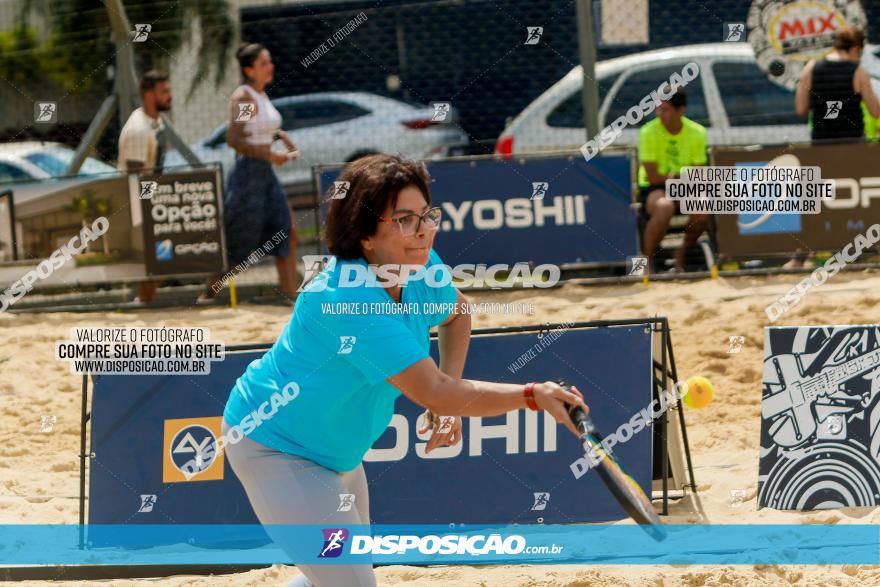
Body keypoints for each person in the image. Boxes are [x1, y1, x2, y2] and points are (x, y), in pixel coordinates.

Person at [221, 154, 589, 587]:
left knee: (340, 577)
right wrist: (530, 395)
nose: (423, 230)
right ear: (365, 237)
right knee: (352, 583)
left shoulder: (417, 266)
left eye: (426, 215)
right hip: (276, 449)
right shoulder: (345, 298)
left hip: (337, 455)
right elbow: (431, 391)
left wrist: (449, 394)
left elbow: (457, 314)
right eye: (404, 219)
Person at [200, 42, 300, 303]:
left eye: (269, 61)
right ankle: (209, 293)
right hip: (248, 177)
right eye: (264, 63)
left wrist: (280, 136)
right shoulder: (244, 97)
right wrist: (271, 154)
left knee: (286, 232)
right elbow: (235, 139)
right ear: (249, 70)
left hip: (264, 173)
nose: (270, 66)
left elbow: (257, 129)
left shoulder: (260, 95)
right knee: (240, 247)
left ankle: (292, 300)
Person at [637, 88, 709, 274]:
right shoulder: (648, 132)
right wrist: (680, 176)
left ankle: (682, 254)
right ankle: (647, 260)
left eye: (665, 109)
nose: (660, 114)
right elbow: (653, 176)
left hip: (685, 186)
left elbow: (699, 174)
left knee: (703, 207)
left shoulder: (697, 132)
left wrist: (674, 177)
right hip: (655, 187)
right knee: (664, 207)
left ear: (681, 110)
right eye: (658, 109)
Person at [117, 70, 172, 304]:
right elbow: (134, 176)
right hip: (140, 204)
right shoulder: (138, 128)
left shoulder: (155, 122)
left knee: (158, 262)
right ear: (149, 95)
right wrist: (152, 208)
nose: (170, 96)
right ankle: (142, 302)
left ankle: (143, 301)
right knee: (152, 262)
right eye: (164, 91)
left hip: (152, 200)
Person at [795, 26, 880, 142]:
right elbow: (875, 111)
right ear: (855, 48)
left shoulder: (810, 68)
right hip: (853, 142)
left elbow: (801, 109)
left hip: (821, 141)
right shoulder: (859, 72)